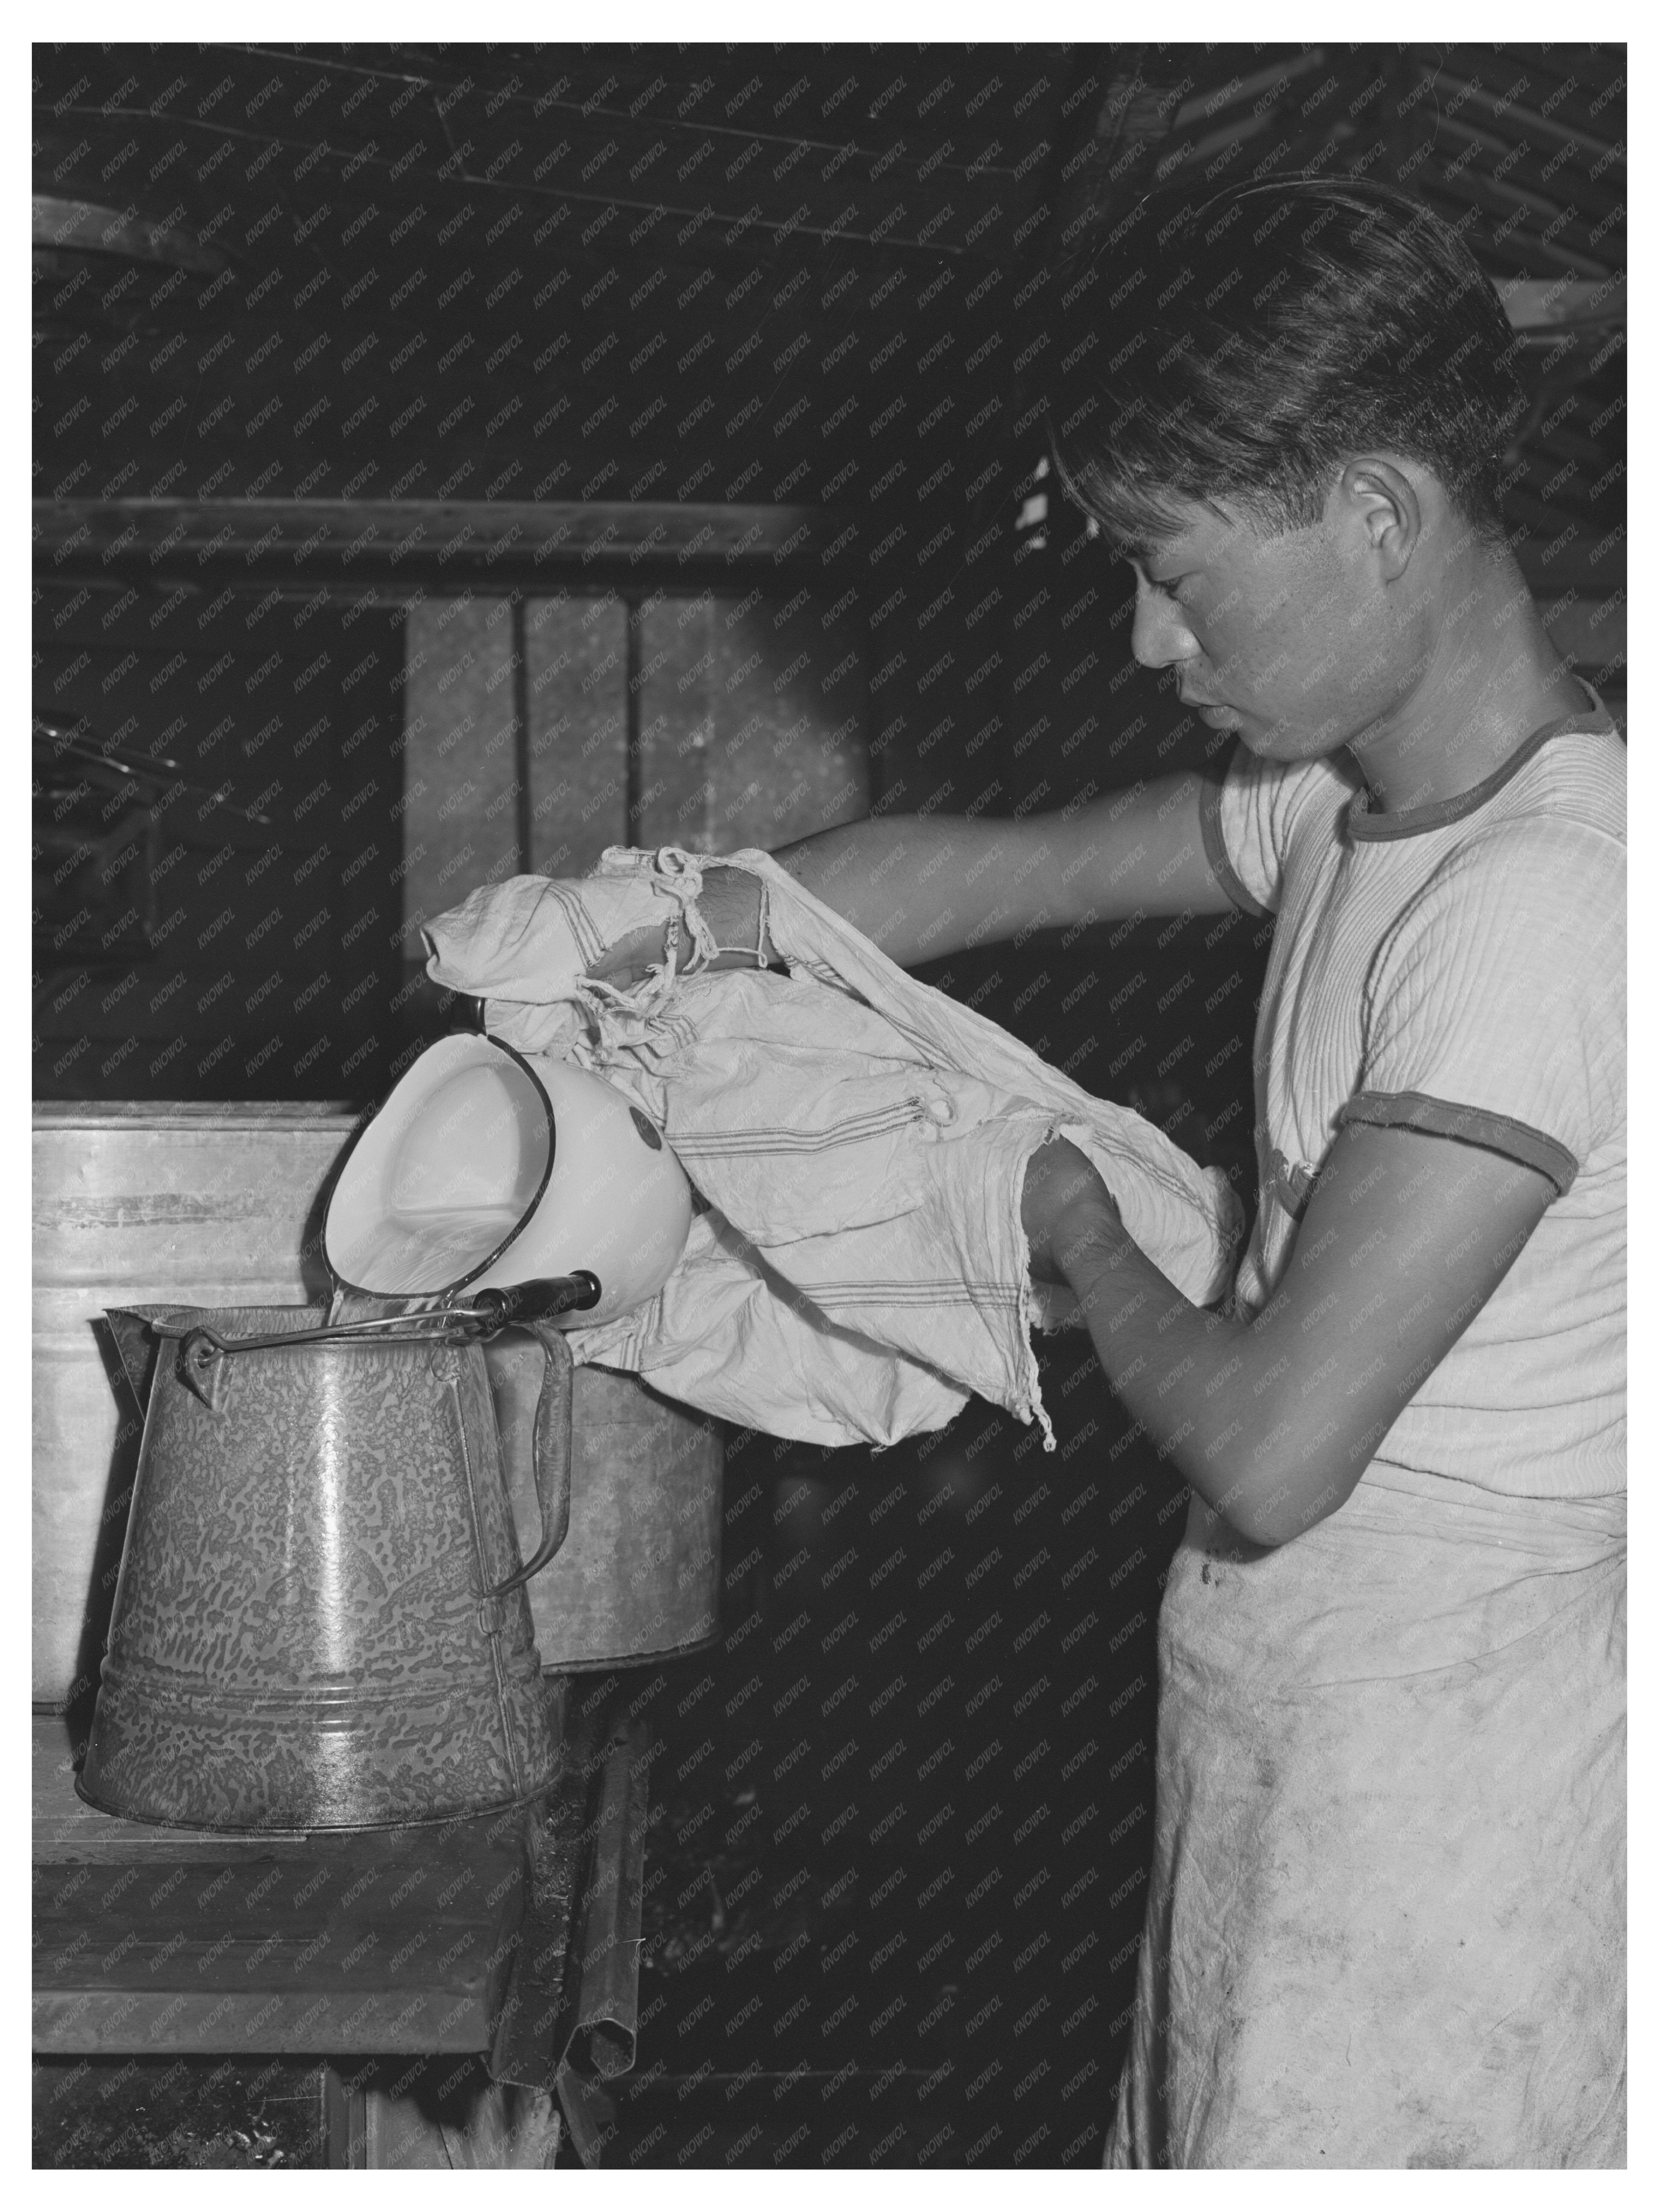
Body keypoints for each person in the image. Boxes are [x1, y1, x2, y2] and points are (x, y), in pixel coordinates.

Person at [591, 177, 1625, 2166]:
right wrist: (640, 933)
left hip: (1456, 1807)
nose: (1150, 638)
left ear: (1380, 515)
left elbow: (1275, 1448)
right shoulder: (1345, 808)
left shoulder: (1543, 905)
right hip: (1306, 1739)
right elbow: (1000, 872)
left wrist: (1057, 1198)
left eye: (1178, 573)